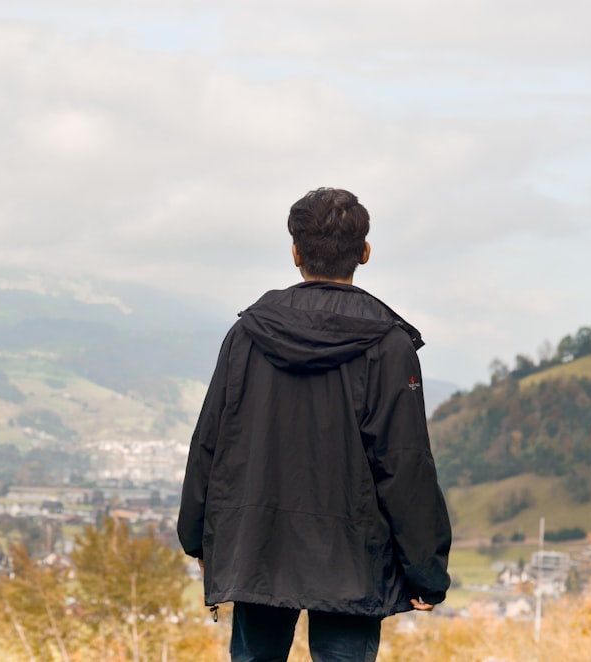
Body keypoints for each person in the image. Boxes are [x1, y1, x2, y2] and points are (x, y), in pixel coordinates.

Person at [177, 187, 451, 662]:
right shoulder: (388, 346)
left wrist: (198, 535)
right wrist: (426, 571)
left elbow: (210, 441)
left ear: (295, 253)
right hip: (352, 557)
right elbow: (404, 464)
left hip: (256, 545)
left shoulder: (248, 334)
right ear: (364, 253)